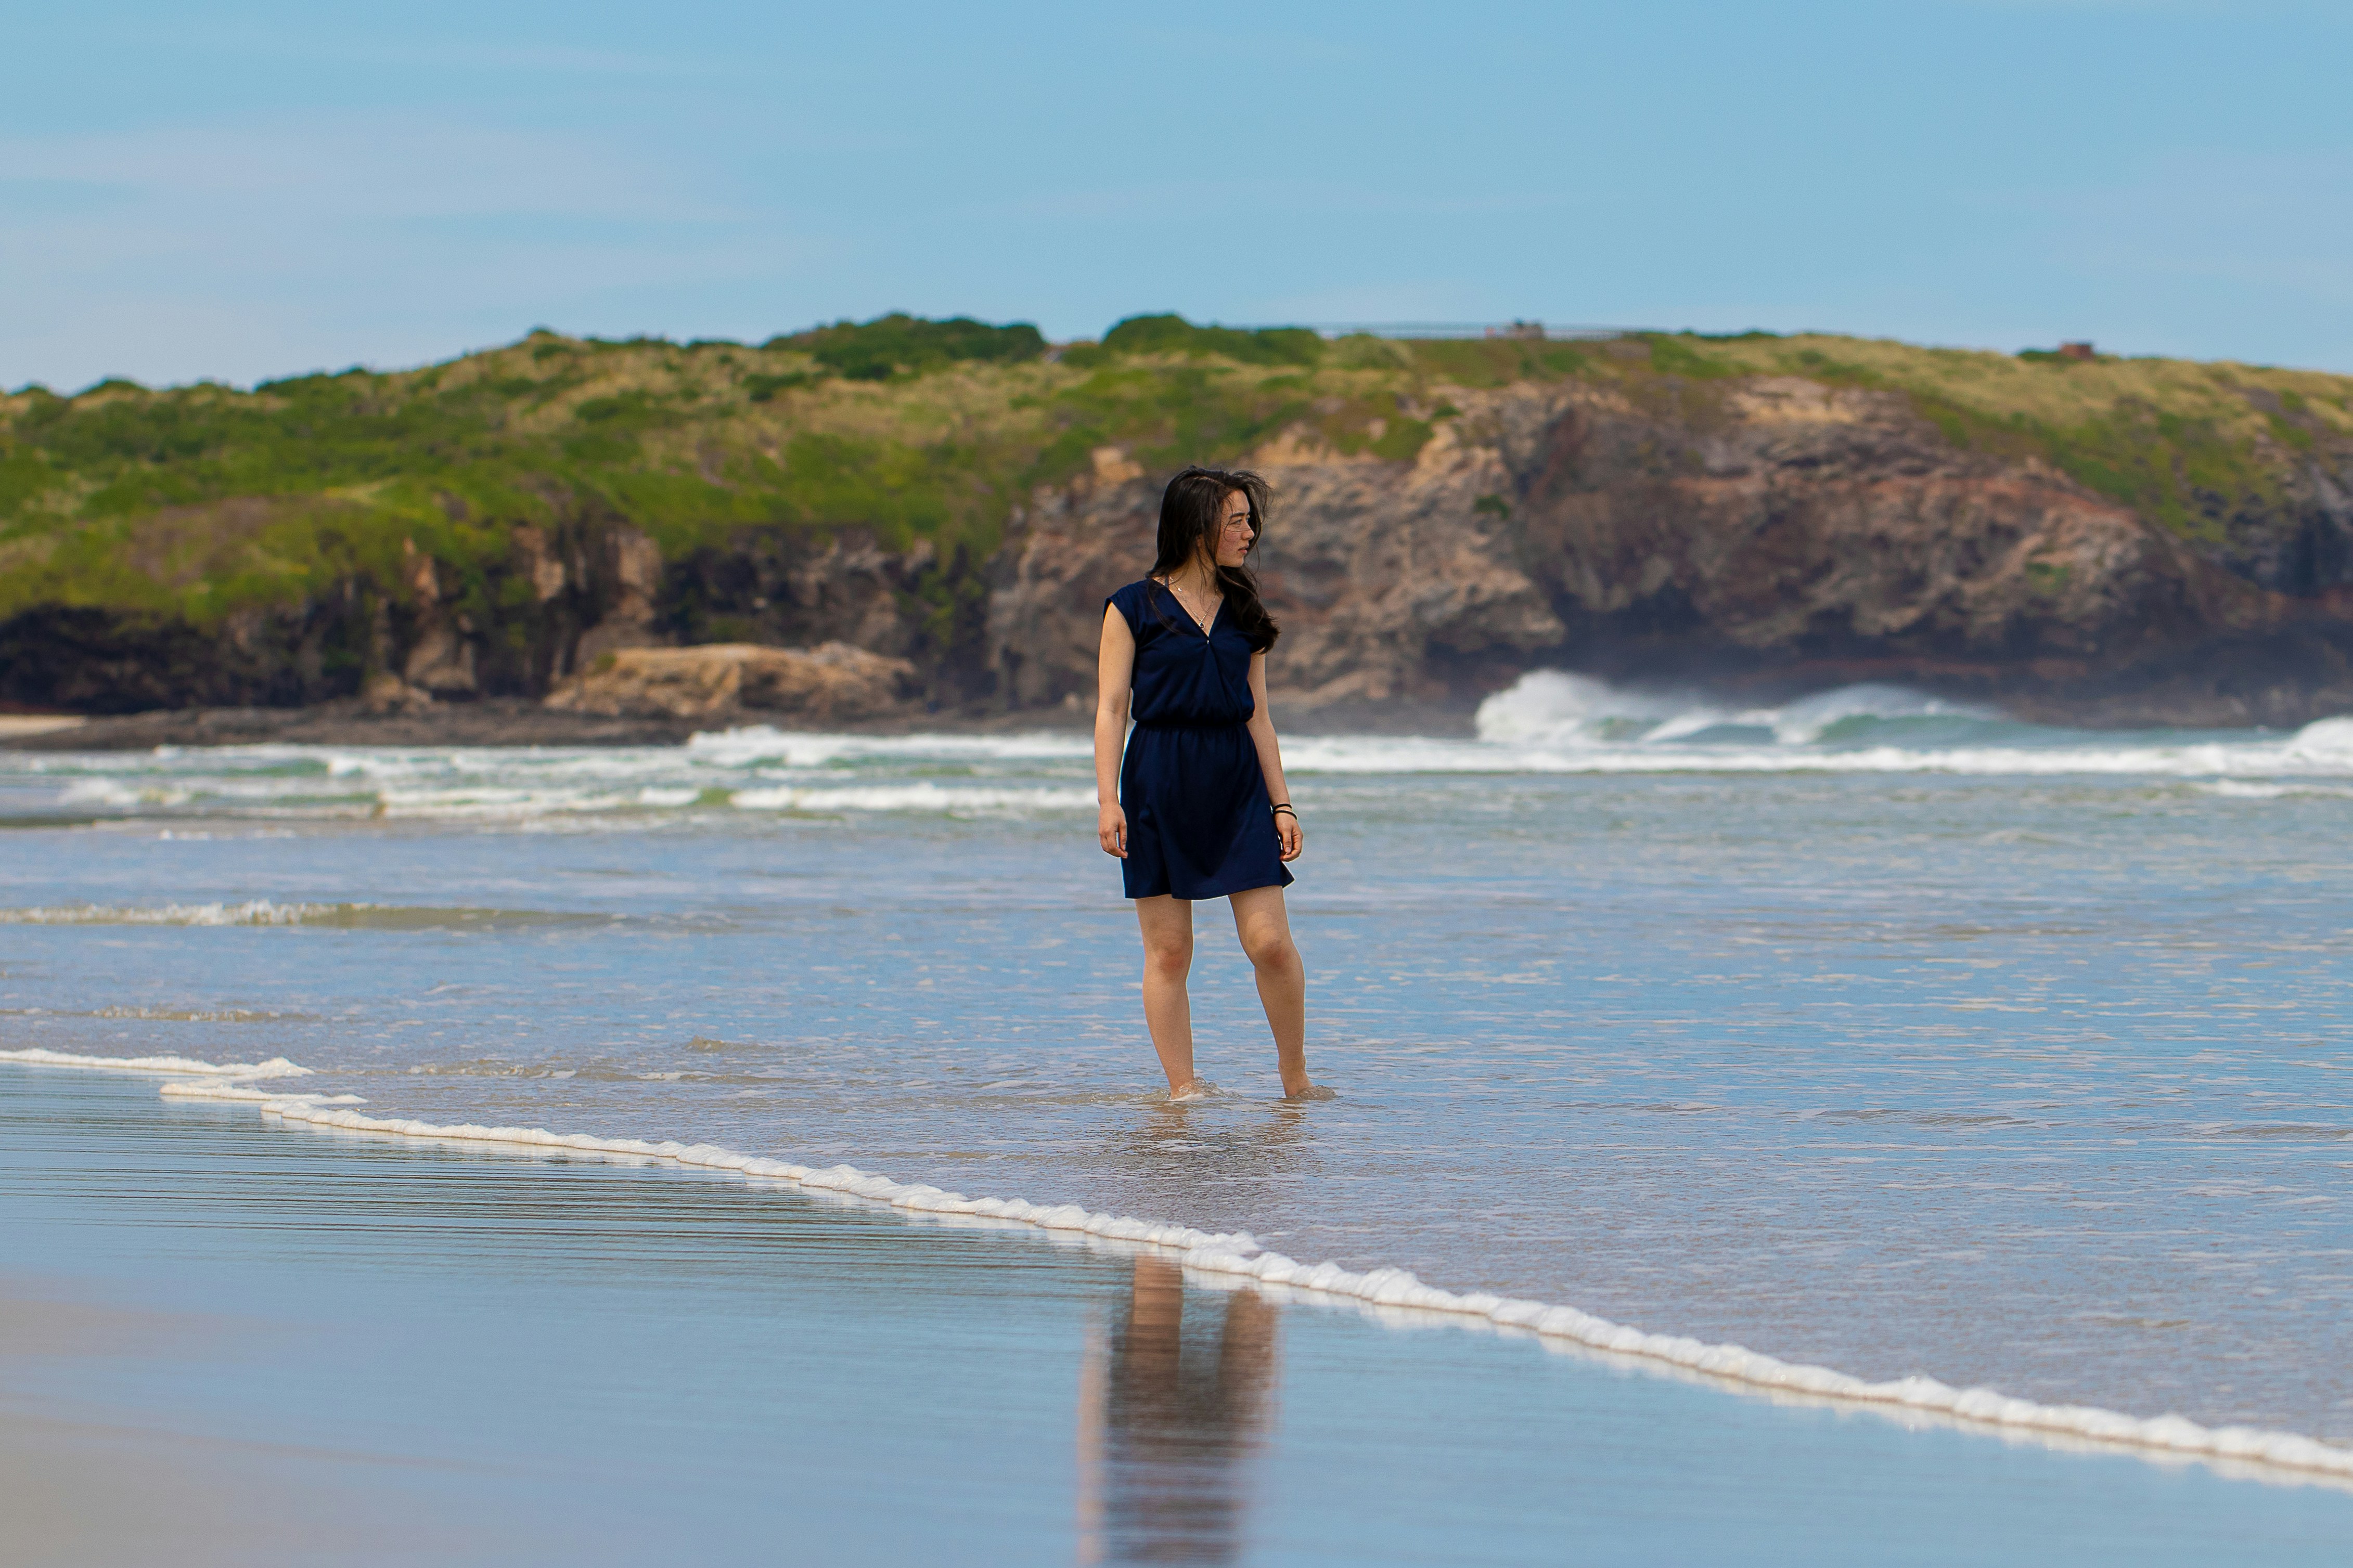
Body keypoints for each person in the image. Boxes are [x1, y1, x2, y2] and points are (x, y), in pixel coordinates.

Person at [1094, 465, 1332, 1101]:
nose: (1249, 533)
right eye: (1237, 521)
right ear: (1198, 526)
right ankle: (1183, 1091)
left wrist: (1282, 804)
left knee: (1270, 944)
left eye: (1250, 521)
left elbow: (1259, 714)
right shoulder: (1130, 606)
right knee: (1169, 951)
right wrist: (1108, 800)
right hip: (1158, 780)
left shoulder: (1245, 608)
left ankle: (1295, 1080)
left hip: (1236, 782)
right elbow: (1111, 709)